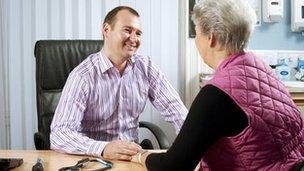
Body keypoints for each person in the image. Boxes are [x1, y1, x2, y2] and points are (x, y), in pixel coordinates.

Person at [131, 0, 304, 170]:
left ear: (211, 38)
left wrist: (142, 155)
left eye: (197, 32)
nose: (197, 38)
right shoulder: (262, 70)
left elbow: (174, 166)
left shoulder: (217, 93)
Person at [50, 6, 187, 161]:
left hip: (133, 159)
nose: (134, 39)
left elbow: (176, 110)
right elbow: (59, 134)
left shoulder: (146, 68)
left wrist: (197, 142)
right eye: (128, 30)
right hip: (93, 160)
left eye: (138, 33)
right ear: (107, 30)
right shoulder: (83, 76)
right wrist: (103, 148)